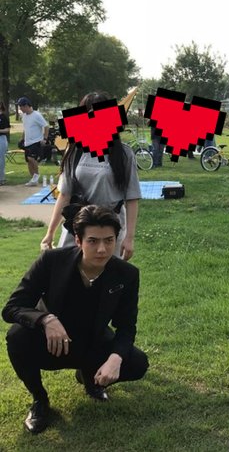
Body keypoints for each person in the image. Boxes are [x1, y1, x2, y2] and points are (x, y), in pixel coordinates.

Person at [2, 205, 149, 434]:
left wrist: (115, 358)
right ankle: (40, 400)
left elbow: (127, 326)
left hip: (92, 340)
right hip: (51, 343)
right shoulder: (52, 261)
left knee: (137, 363)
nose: (102, 249)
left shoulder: (127, 274)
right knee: (16, 337)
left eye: (109, 240)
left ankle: (90, 377)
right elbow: (12, 308)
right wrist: (46, 319)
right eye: (93, 241)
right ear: (78, 240)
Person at [40, 91, 141, 260]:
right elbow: (64, 195)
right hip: (78, 224)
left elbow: (132, 198)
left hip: (110, 226)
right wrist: (50, 233)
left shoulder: (124, 154)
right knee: (68, 269)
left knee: (106, 271)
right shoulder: (74, 151)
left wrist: (129, 238)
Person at [17, 96, 49, 186]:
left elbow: (46, 126)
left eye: (21, 107)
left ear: (26, 105)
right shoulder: (24, 116)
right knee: (28, 161)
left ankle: (37, 175)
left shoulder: (36, 115)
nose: (20, 109)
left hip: (36, 141)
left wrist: (45, 139)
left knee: (31, 158)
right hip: (27, 142)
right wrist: (22, 138)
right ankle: (33, 179)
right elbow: (25, 128)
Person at [0, 101, 10, 185]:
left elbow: (7, 129)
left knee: (1, 159)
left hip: (1, 138)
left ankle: (1, 178)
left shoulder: (3, 117)